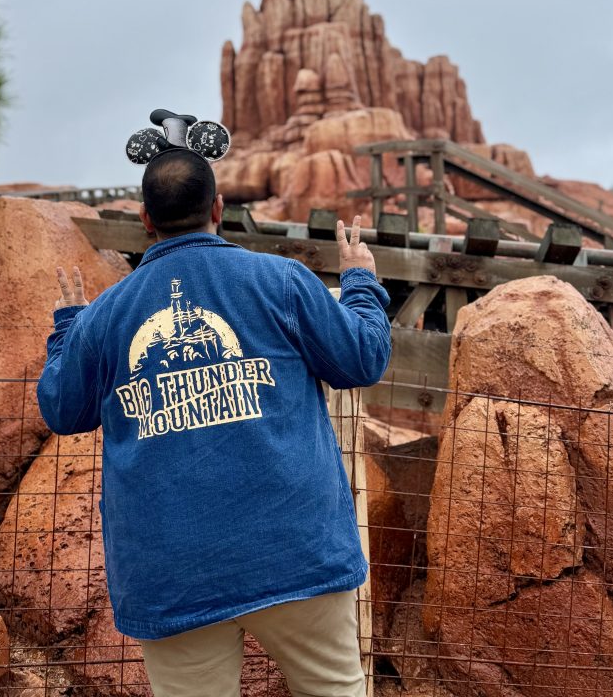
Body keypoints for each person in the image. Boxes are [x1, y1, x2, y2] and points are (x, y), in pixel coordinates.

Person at [37, 147, 391, 697]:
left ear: (145, 219)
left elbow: (62, 408)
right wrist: (360, 282)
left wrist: (67, 330)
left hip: (173, 575)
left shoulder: (105, 316)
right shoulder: (283, 281)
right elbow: (363, 357)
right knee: (335, 688)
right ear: (218, 207)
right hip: (296, 554)